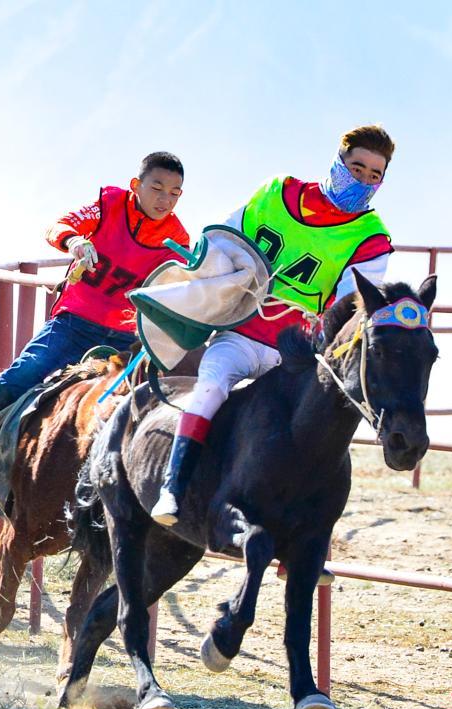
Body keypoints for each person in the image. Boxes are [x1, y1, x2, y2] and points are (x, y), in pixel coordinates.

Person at [149, 124, 397, 525]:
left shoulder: (373, 237)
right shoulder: (277, 192)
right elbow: (223, 236)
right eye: (357, 167)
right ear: (337, 162)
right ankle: (172, 489)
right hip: (240, 332)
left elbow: (352, 302)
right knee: (209, 390)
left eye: (375, 175)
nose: (364, 180)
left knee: (320, 430)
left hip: (296, 354)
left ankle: (312, 538)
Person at [0, 152, 189, 427]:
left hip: (126, 340)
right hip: (73, 324)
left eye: (174, 193)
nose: (165, 200)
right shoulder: (109, 205)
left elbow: (177, 284)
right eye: (157, 188)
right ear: (135, 185)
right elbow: (59, 227)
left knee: (155, 403)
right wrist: (74, 242)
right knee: (23, 374)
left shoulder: (177, 239)